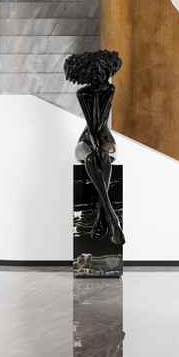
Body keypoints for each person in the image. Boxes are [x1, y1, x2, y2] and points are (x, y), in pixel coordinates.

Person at [64, 49, 125, 246]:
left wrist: (102, 93)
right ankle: (111, 219)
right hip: (87, 137)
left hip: (106, 137)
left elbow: (102, 127)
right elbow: (93, 125)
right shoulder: (83, 93)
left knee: (102, 155)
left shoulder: (110, 90)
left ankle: (101, 216)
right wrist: (95, 96)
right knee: (91, 157)